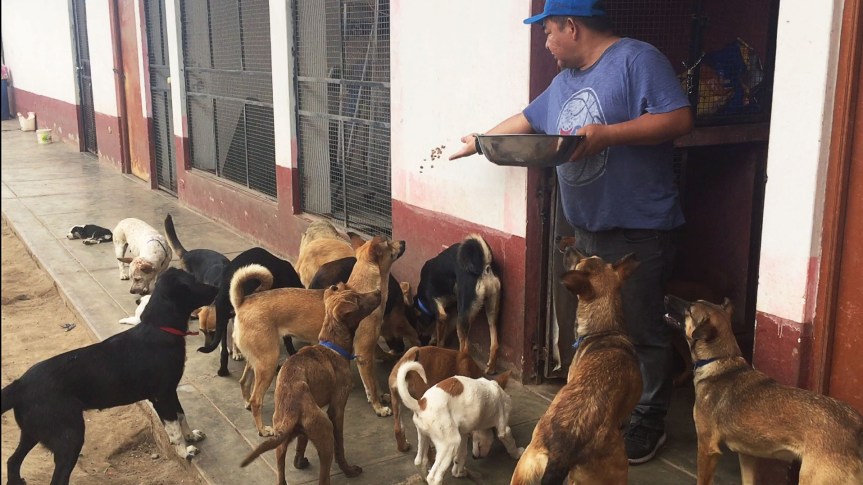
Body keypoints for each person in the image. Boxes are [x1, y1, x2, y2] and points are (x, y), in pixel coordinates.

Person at [449, 0, 693, 465]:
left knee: (639, 328)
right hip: (583, 225)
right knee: (593, 330)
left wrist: (608, 134)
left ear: (571, 26)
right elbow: (527, 121)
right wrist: (479, 142)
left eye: (547, 32)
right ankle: (606, 407)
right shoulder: (564, 82)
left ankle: (648, 419)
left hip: (637, 225)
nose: (545, 42)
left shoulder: (636, 60)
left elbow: (679, 118)